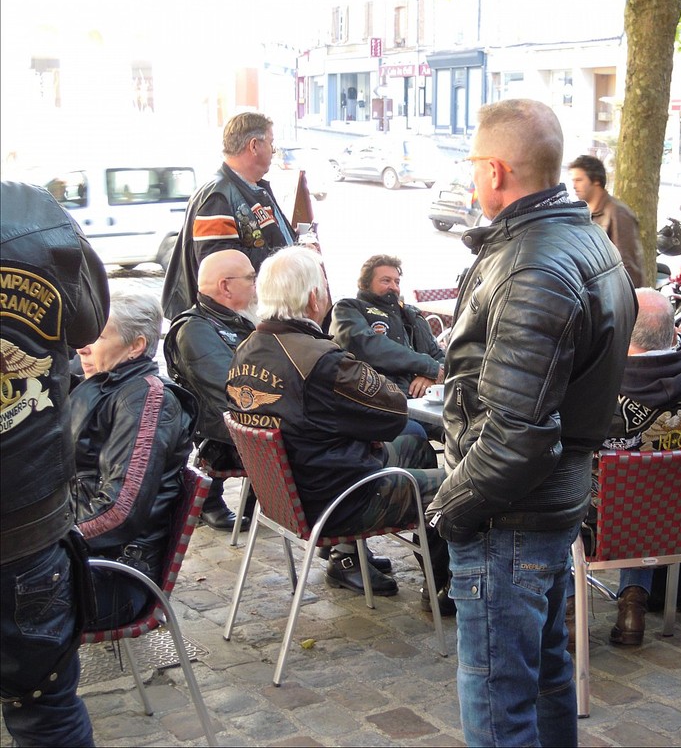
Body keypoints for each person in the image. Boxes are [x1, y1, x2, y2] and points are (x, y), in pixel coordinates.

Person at [424, 98, 636, 746]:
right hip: (542, 506)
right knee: (543, 679)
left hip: (510, 516)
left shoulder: (535, 262)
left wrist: (450, 508)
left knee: (501, 702)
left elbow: (518, 435)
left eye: (473, 165)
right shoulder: (576, 239)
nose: (471, 178)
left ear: (494, 170)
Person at [225, 246, 452, 613]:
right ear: (314, 299)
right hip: (340, 500)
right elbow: (393, 413)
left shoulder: (247, 348)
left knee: (415, 445)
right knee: (454, 487)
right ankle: (445, 589)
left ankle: (374, 560)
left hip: (289, 494)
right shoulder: (321, 360)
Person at [1, 181, 108, 747]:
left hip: (30, 521)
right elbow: (89, 320)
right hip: (27, 520)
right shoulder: (30, 212)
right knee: (44, 709)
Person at [569, 288, 681, 648]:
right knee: (645, 492)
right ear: (674, 335)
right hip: (680, 525)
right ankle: (633, 607)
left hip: (598, 529)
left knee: (557, 492)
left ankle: (568, 613)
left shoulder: (595, 393)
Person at [71, 292, 197, 630]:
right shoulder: (100, 382)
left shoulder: (146, 399)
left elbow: (120, 511)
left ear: (135, 346)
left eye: (97, 337)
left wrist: (49, 542)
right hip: (81, 558)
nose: (82, 348)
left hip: (114, 577)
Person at [162, 111, 295, 319]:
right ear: (254, 146)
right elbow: (221, 271)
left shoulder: (250, 188)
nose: (273, 151)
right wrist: (288, 261)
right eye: (271, 143)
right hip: (232, 321)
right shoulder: (218, 197)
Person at [164, 250, 258, 531]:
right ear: (225, 286)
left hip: (244, 420)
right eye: (251, 278)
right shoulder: (195, 329)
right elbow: (230, 390)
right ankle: (209, 500)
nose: (256, 285)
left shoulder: (237, 319)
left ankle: (260, 499)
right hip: (223, 431)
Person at [329, 254, 445, 400]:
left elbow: (440, 357)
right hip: (380, 401)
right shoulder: (348, 308)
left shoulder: (412, 315)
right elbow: (368, 347)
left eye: (397, 282)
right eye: (386, 280)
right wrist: (429, 367)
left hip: (426, 400)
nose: (394, 287)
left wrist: (433, 377)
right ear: (365, 284)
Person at [567, 154, 643, 286]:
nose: (574, 186)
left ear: (596, 181)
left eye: (579, 180)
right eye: (573, 180)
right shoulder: (584, 213)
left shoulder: (618, 213)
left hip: (611, 294)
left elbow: (628, 267)